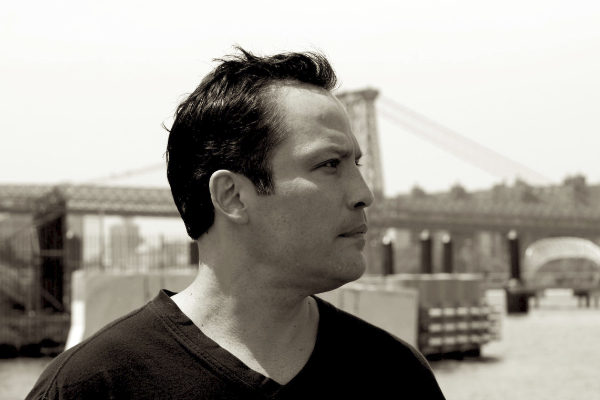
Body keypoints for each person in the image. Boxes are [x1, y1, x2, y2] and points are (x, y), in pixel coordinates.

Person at [27, 47, 446, 399]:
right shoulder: (93, 388)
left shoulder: (397, 377)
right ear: (232, 196)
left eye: (356, 163)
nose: (364, 193)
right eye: (329, 164)